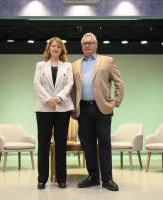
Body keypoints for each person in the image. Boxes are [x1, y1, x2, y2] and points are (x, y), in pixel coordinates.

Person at [71, 33, 124, 191]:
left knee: (104, 144)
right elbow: (72, 90)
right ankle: (93, 177)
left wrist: (116, 102)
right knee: (88, 145)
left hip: (102, 109)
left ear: (96, 45)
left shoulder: (107, 61)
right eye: (84, 43)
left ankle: (107, 179)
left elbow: (119, 82)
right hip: (83, 109)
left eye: (90, 43)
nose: (87, 45)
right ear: (81, 46)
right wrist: (74, 109)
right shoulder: (74, 65)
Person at [34, 37, 74, 189]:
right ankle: (42, 179)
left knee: (60, 144)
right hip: (44, 108)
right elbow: (37, 84)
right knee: (44, 144)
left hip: (62, 108)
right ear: (48, 49)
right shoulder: (40, 65)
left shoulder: (68, 66)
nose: (56, 48)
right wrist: (48, 99)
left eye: (58, 46)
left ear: (62, 49)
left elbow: (70, 84)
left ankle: (61, 178)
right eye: (53, 46)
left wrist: (57, 98)